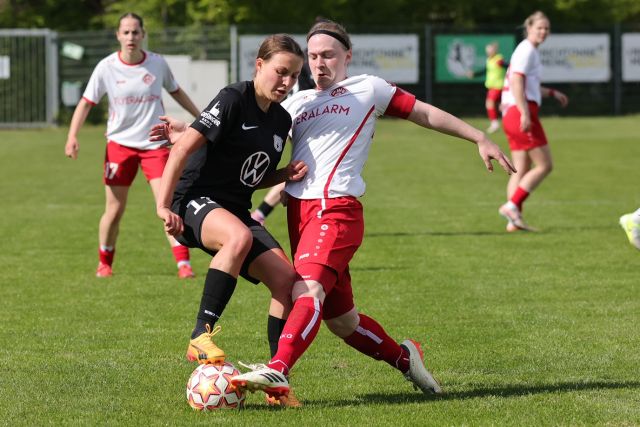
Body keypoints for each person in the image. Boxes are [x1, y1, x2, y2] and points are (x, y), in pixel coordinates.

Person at [230, 19, 516, 400]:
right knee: (342, 321)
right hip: (299, 215)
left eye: (328, 55)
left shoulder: (368, 89)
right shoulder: (296, 103)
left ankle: (279, 369)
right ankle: (406, 360)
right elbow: (248, 133)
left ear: (347, 56)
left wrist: (479, 136)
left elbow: (424, 113)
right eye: (312, 56)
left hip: (336, 210)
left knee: (307, 289)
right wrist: (196, 131)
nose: (319, 64)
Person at [151, 34, 306, 406]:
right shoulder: (234, 98)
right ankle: (200, 335)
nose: (286, 82)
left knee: (287, 282)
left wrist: (283, 174)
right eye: (280, 72)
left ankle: (277, 381)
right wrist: (164, 205)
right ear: (259, 65)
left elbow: (252, 175)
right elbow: (182, 149)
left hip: (234, 208)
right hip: (194, 200)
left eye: (293, 76)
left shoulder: (281, 119)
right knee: (238, 238)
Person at [64, 13, 201, 278]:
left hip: (155, 145)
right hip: (119, 146)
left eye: (135, 32)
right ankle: (105, 262)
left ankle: (183, 263)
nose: (131, 37)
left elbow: (176, 91)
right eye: (125, 32)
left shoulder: (157, 63)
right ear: (118, 35)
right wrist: (72, 136)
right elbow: (86, 103)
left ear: (143, 35)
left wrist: (200, 119)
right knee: (114, 210)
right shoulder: (106, 67)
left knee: (166, 204)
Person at [497, 11, 569, 232]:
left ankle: (513, 222)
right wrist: (525, 113)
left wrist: (552, 93)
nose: (543, 31)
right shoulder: (527, 49)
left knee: (521, 168)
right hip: (520, 112)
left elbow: (528, 84)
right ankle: (512, 206)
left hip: (512, 113)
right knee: (545, 165)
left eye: (546, 28)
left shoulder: (528, 50)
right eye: (539, 27)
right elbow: (516, 80)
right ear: (528, 28)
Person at [251, 53, 315, 226]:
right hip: (293, 117)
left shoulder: (301, 61)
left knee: (294, 168)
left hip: (283, 116)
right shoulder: (309, 65)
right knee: (300, 167)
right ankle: (258, 213)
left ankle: (258, 213)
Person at [467, 42, 509, 134]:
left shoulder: (498, 60)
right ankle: (507, 122)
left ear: (494, 50)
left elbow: (508, 65)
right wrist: (474, 74)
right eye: (487, 50)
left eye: (490, 50)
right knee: (501, 106)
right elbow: (485, 70)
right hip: (493, 86)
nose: (488, 52)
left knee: (490, 103)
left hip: (497, 86)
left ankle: (495, 124)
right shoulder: (490, 60)